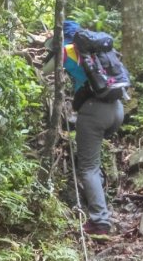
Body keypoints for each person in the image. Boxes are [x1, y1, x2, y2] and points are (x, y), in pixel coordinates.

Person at [41, 20, 124, 241]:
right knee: (93, 160)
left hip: (94, 111)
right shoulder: (99, 49)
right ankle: (101, 194)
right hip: (117, 109)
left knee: (88, 167)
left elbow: (43, 72)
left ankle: (100, 222)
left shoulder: (67, 50)